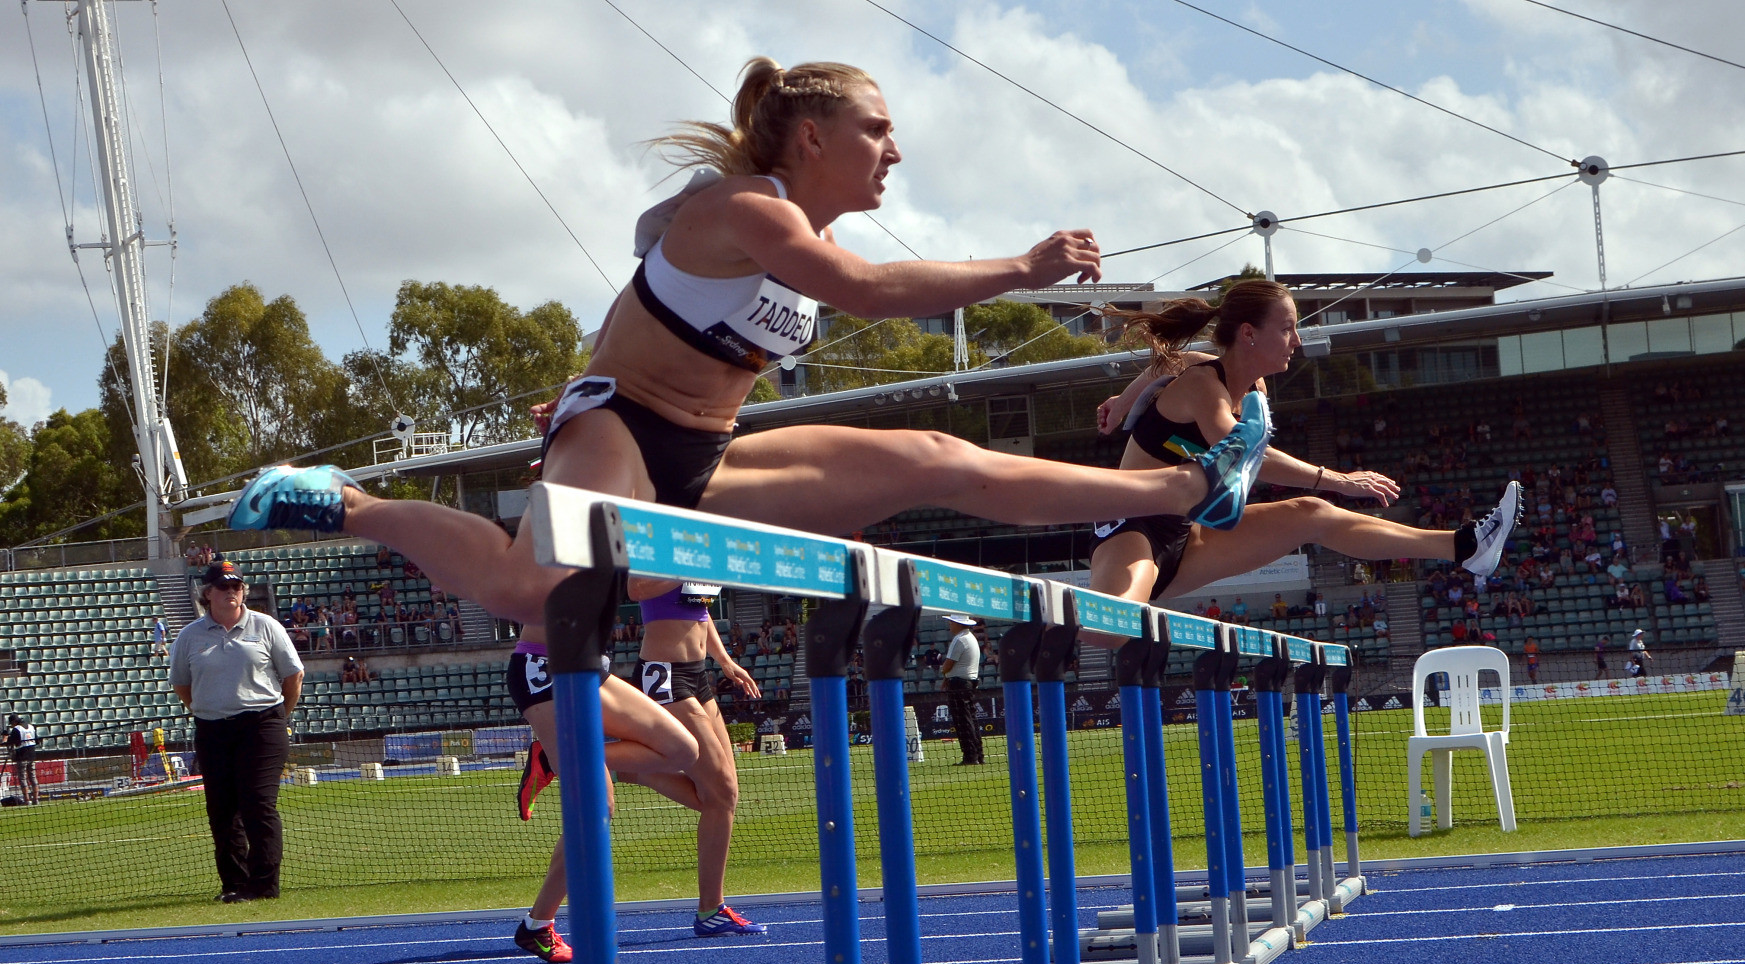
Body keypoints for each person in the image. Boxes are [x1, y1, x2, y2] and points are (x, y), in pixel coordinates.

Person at [226, 58, 1257, 633]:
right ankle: (345, 502)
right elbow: (863, 290)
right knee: (530, 591)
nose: (894, 151)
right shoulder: (744, 209)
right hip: (621, 430)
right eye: (876, 130)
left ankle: (1184, 486)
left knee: (938, 462)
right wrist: (1020, 268)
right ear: (810, 138)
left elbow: (668, 304)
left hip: (705, 451)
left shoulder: (791, 231)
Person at [1086, 281, 1518, 613]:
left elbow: (1164, 364)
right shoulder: (1203, 385)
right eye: (1287, 328)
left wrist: (1122, 405)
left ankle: (1466, 547)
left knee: (1312, 513)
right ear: (1249, 334)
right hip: (1132, 532)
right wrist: (1339, 481)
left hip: (1188, 538)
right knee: (1114, 625)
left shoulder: (1248, 388)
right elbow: (1241, 450)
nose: (1296, 340)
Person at [502, 617, 700, 962]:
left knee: (682, 749)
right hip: (545, 670)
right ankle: (537, 926)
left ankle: (552, 759)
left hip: (590, 668)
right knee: (595, 813)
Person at [622, 580, 767, 935]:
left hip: (696, 675)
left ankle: (631, 769)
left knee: (723, 798)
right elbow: (635, 589)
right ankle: (710, 909)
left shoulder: (701, 555)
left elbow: (699, 611)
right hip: (665, 676)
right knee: (721, 792)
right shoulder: (665, 550)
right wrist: (684, 563)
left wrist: (725, 660)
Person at [168, 561, 304, 903]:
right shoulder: (189, 636)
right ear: (207, 593)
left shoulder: (266, 625)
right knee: (222, 809)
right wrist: (209, 708)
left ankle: (263, 885)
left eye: (236, 586)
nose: (231, 592)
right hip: (213, 729)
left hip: (262, 726)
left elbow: (294, 676)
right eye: (223, 587)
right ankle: (233, 884)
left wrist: (278, 717)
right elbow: (182, 684)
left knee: (257, 804)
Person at [940, 614, 983, 766]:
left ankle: (970, 756)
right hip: (968, 683)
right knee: (970, 719)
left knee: (962, 721)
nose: (950, 625)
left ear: (958, 624)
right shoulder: (970, 638)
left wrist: (944, 673)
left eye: (951, 622)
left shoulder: (959, 639)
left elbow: (948, 665)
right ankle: (978, 754)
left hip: (959, 685)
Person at [6, 714, 40, 806]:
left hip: (21, 756)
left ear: (14, 722)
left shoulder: (17, 729)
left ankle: (27, 800)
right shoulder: (31, 727)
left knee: (22, 778)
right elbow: (37, 741)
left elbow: (10, 742)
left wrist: (5, 737)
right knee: (33, 777)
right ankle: (36, 799)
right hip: (32, 755)